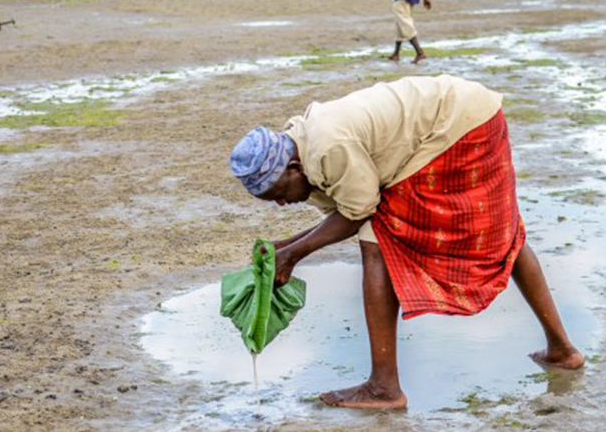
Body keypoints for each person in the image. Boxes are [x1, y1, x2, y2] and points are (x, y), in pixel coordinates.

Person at [230, 75, 584, 410]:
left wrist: (293, 254)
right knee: (504, 232)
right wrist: (286, 248)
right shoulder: (305, 147)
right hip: (467, 117)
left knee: (377, 242)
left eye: (280, 193)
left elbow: (358, 213)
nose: (282, 203)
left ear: (293, 167)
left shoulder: (327, 146)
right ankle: (562, 350)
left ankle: (384, 387)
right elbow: (351, 207)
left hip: (457, 129)